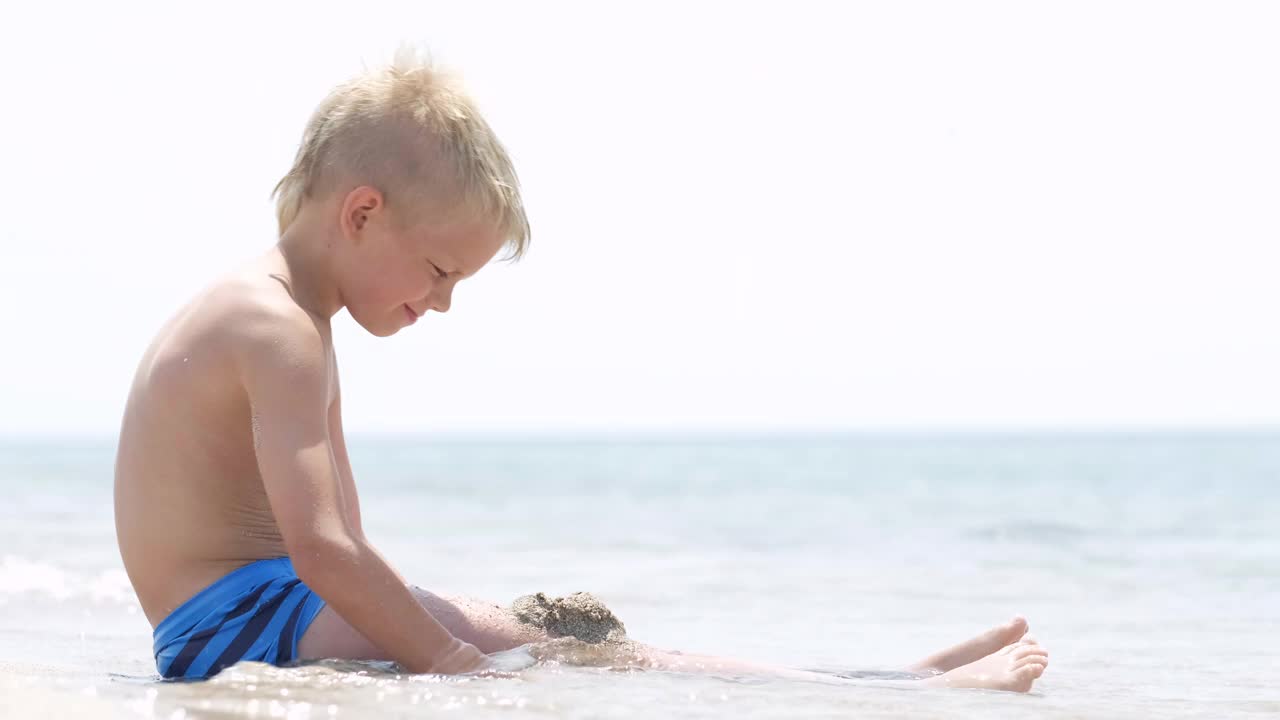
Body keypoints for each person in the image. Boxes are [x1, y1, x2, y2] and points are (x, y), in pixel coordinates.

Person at [113, 49, 1048, 692]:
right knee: (533, 653)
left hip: (249, 614)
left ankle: (877, 683)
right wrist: (451, 668)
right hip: (233, 629)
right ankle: (881, 690)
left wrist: (449, 635)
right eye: (441, 270)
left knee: (558, 642)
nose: (442, 303)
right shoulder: (276, 329)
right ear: (361, 214)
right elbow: (324, 552)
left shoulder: (290, 318)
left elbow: (342, 540)